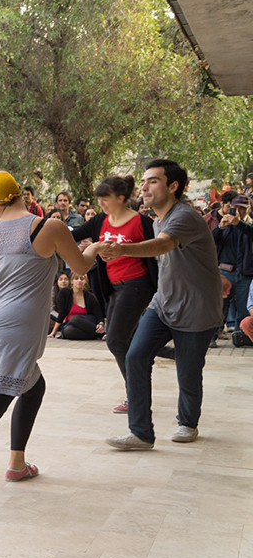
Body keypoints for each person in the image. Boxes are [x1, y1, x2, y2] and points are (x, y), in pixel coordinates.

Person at [0, 171, 105, 497]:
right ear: (21, 194)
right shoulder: (47, 226)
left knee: (33, 387)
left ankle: (17, 463)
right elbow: (80, 267)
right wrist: (94, 246)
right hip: (15, 323)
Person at [102, 160, 222, 449]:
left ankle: (188, 422)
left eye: (152, 181)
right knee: (135, 356)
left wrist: (121, 250)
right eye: (143, 181)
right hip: (163, 304)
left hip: (197, 309)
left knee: (188, 373)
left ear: (173, 186)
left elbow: (164, 245)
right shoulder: (158, 219)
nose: (144, 187)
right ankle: (141, 433)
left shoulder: (184, 216)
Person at [70, 175, 159, 413]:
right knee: (124, 340)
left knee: (115, 339)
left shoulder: (142, 223)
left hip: (137, 285)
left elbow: (157, 253)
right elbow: (72, 236)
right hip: (113, 288)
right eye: (98, 199)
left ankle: (136, 396)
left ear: (121, 198)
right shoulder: (100, 220)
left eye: (105, 199)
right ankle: (144, 377)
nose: (101, 204)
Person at [212, 194, 253, 334]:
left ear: (248, 209)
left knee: (243, 309)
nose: (238, 211)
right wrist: (220, 227)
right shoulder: (225, 224)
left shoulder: (249, 225)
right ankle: (212, 336)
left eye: (242, 208)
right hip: (224, 272)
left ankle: (239, 336)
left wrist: (239, 224)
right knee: (219, 307)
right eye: (235, 208)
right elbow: (210, 241)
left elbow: (250, 232)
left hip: (245, 274)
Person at [49, 273, 105, 339]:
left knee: (74, 318)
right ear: (72, 281)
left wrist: (101, 324)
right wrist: (53, 332)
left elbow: (99, 315)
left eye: (82, 279)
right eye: (76, 279)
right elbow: (62, 313)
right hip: (70, 323)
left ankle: (102, 334)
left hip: (88, 321)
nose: (79, 281)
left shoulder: (90, 296)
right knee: (68, 331)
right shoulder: (65, 293)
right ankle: (97, 335)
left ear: (85, 281)